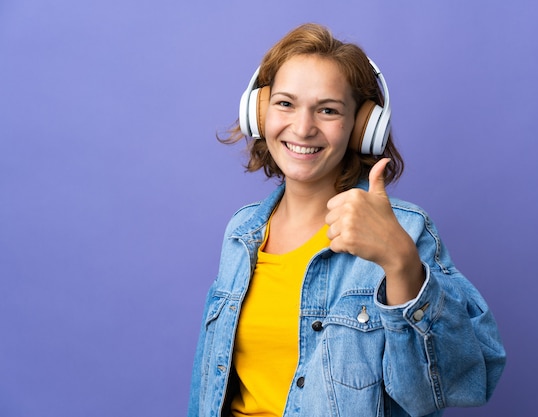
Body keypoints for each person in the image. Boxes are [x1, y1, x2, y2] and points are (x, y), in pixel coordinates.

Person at [187, 23, 506, 417]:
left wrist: (401, 263)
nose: (303, 128)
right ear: (259, 112)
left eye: (328, 110)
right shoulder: (242, 232)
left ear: (362, 126)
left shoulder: (405, 232)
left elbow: (463, 381)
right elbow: (209, 388)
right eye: (285, 103)